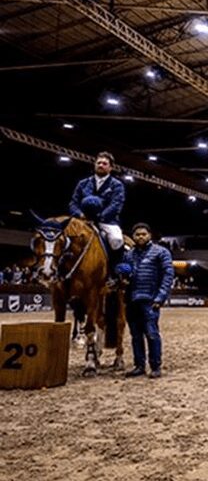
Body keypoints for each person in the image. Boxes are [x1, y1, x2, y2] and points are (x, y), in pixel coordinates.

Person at [120, 223, 173, 379]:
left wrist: (161, 297)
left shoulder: (161, 252)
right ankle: (139, 366)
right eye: (137, 235)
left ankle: (155, 366)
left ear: (150, 235)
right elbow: (125, 277)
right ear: (133, 237)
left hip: (150, 300)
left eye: (143, 234)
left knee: (152, 333)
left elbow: (168, 276)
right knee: (135, 335)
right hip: (132, 300)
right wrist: (122, 280)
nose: (140, 237)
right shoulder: (129, 255)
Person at [69, 151, 126, 277]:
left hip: (107, 221)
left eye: (104, 163)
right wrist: (80, 215)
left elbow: (116, 205)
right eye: (98, 163)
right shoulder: (83, 183)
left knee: (116, 239)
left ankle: (115, 272)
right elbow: (73, 203)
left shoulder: (117, 185)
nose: (101, 165)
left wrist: (99, 217)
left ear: (110, 167)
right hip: (83, 220)